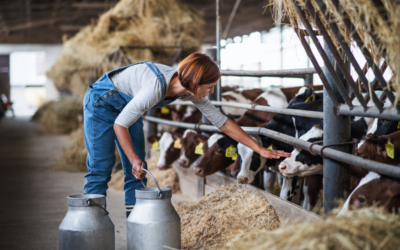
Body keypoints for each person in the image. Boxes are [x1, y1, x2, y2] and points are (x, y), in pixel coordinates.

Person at [83, 52, 291, 217]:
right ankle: (89, 225)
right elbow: (120, 125)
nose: (210, 92)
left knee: (138, 173)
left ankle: (137, 228)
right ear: (196, 81)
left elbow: (223, 123)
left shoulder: (190, 89)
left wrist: (259, 148)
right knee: (101, 166)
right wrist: (133, 158)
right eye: (209, 87)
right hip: (103, 101)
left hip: (130, 104)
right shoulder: (155, 88)